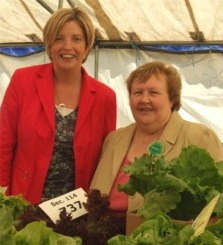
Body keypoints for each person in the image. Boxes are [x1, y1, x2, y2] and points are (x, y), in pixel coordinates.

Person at [0, 7, 117, 204]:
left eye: (76, 39)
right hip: (23, 202)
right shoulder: (23, 80)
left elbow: (105, 160)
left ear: (87, 45)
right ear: (48, 44)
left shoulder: (105, 97)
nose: (67, 46)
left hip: (77, 210)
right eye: (59, 38)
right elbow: (3, 142)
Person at [90, 60, 223, 212]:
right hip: (103, 233)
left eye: (153, 93)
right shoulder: (113, 139)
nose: (144, 99)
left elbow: (216, 201)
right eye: (138, 92)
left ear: (172, 99)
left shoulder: (200, 137)